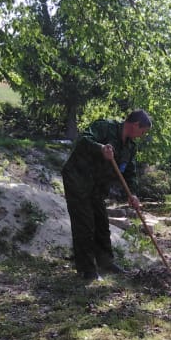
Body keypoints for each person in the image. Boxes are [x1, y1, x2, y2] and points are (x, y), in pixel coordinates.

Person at [62, 109, 152, 280]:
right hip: (78, 179)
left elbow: (130, 173)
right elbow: (82, 141)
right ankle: (87, 270)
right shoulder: (104, 127)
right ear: (135, 125)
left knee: (102, 223)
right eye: (143, 131)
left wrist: (132, 194)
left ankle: (105, 262)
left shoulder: (131, 147)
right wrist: (101, 148)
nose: (142, 135)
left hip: (97, 187)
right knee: (85, 223)